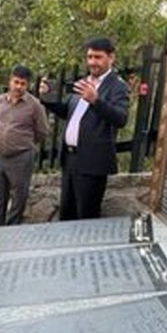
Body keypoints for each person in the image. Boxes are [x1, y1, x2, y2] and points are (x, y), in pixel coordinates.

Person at [41, 37, 130, 220]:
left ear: (111, 58)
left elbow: (120, 118)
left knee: (85, 218)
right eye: (89, 57)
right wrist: (47, 99)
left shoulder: (117, 86)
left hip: (92, 163)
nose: (92, 62)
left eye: (98, 57)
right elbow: (68, 112)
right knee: (67, 216)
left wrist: (95, 100)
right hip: (71, 160)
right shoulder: (82, 82)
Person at [0, 64, 49, 226]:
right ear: (10, 81)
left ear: (28, 85)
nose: (18, 87)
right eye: (16, 82)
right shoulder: (1, 100)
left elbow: (42, 132)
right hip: (0, 156)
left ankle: (12, 231)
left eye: (23, 84)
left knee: (18, 197)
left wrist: (23, 143)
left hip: (21, 157)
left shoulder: (34, 105)